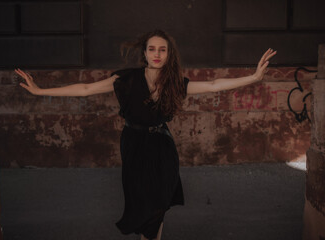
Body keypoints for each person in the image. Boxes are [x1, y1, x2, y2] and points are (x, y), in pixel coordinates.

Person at [15, 29, 277, 240]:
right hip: (134, 144)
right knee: (142, 202)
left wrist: (253, 78)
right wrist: (39, 91)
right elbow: (85, 88)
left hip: (162, 145)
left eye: (162, 49)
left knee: (159, 203)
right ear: (144, 52)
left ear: (168, 54)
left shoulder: (175, 83)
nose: (157, 53)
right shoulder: (126, 79)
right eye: (152, 48)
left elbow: (213, 85)